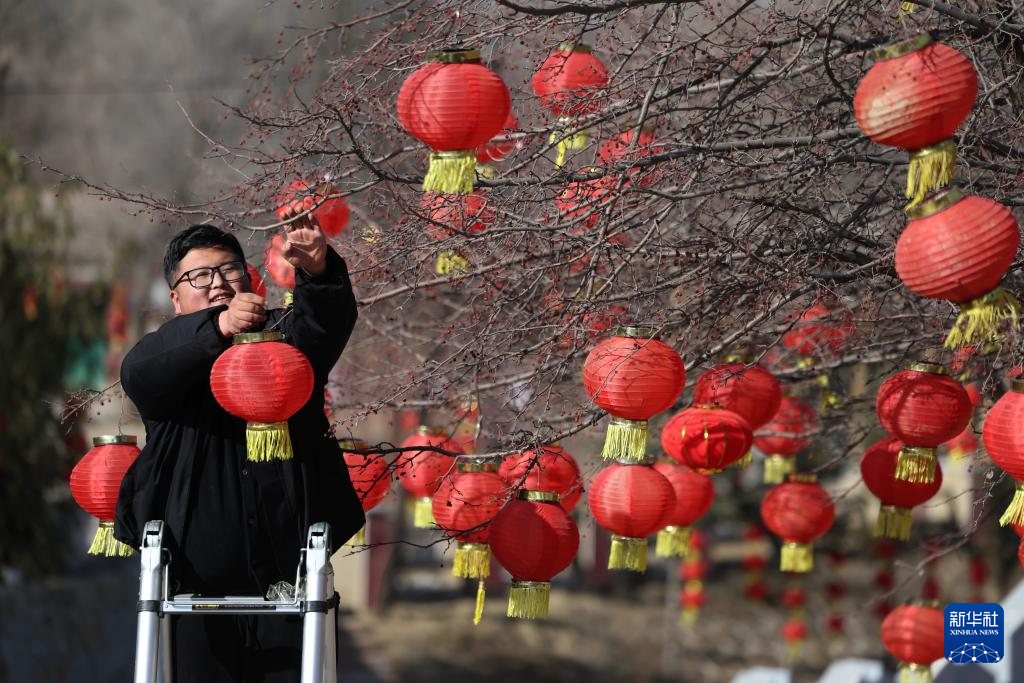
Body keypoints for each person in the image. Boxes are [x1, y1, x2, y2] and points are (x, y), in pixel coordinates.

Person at [114, 202, 363, 682]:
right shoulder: (167, 355)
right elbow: (139, 372)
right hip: (189, 591)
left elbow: (324, 326)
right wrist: (219, 329)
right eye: (199, 276)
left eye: (228, 269)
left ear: (248, 278)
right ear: (175, 298)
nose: (217, 283)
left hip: (290, 588)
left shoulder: (283, 339)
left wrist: (317, 270)